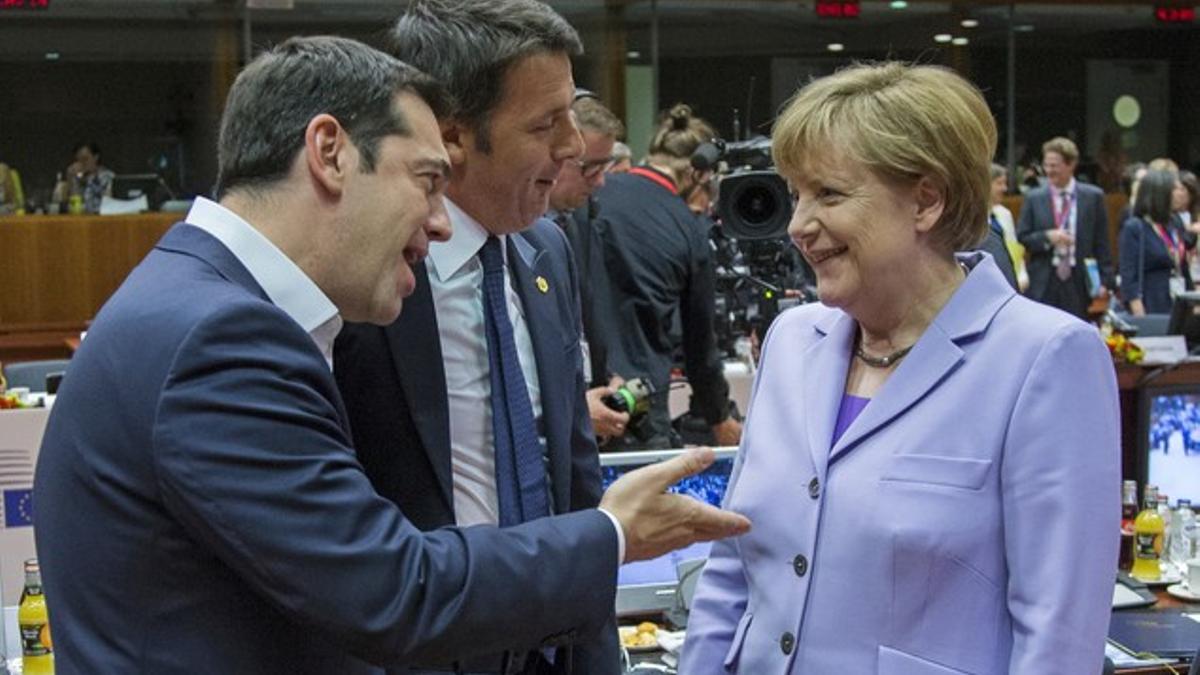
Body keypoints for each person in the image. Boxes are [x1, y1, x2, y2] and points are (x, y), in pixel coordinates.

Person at [34, 35, 750, 675]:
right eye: (428, 181)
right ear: (330, 152)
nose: (441, 223)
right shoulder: (221, 339)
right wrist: (611, 532)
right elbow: (393, 590)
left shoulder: (194, 297)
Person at [681, 62, 1119, 674]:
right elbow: (733, 571)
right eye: (795, 194)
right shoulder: (791, 341)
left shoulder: (1045, 359)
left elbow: (1059, 639)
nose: (799, 225)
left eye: (829, 194)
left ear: (927, 200)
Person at [330, 3, 694, 672]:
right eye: (545, 123)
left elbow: (575, 476)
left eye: (572, 114)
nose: (572, 145)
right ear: (454, 135)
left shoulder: (545, 249)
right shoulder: (360, 277)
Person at [592, 103, 742, 449]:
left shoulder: (595, 194)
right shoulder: (687, 229)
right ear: (698, 174)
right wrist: (719, 418)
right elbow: (700, 346)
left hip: (583, 399)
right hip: (641, 409)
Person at [546, 90, 629, 442]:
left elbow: (584, 313)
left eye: (604, 166)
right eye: (589, 168)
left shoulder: (576, 221)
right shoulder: (511, 233)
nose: (600, 181)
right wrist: (572, 409)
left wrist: (603, 375)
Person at [1017, 136, 1114, 319]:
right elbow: (1022, 237)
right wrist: (1048, 237)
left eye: (1055, 165)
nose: (1049, 171)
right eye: (1047, 165)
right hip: (1044, 280)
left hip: (1078, 280)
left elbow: (1102, 243)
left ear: (1071, 164)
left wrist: (1105, 281)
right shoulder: (1034, 198)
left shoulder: (1093, 197)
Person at [1120, 169, 1191, 315]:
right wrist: (1139, 313)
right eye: (1175, 189)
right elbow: (1129, 277)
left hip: (1178, 301)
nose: (1180, 194)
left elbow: (1183, 267)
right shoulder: (1135, 227)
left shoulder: (1175, 223)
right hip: (1150, 303)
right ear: (1160, 194)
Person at [989, 162, 1028, 291]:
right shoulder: (971, 217)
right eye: (999, 183)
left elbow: (1013, 247)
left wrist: (1021, 275)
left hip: (1010, 282)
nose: (1004, 189)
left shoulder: (1005, 214)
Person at [51, 141, 114, 214]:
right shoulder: (77, 177)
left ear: (96, 157)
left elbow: (109, 202)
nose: (81, 163)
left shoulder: (108, 177)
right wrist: (71, 178)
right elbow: (74, 203)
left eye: (85, 159)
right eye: (78, 160)